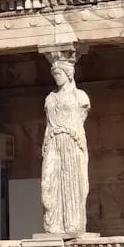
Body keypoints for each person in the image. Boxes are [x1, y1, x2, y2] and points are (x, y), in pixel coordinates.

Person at [41, 56, 91, 234]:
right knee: (47, 186)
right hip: (53, 141)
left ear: (69, 73)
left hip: (71, 141)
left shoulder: (80, 97)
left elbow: (80, 119)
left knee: (71, 183)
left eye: (59, 73)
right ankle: (53, 225)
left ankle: (72, 225)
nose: (57, 77)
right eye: (54, 74)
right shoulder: (50, 98)